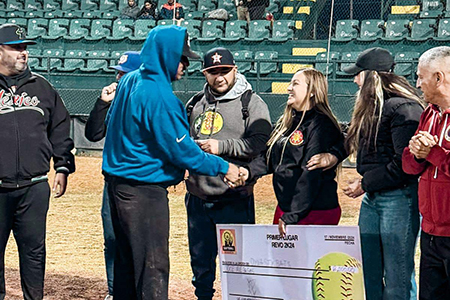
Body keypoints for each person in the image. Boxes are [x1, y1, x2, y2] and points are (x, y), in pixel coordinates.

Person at [102, 25, 240, 300]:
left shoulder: (131, 80)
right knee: (153, 267)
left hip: (117, 189)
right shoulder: (159, 95)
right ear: (165, 54)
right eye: (182, 57)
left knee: (128, 268)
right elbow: (183, 153)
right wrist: (224, 167)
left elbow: (111, 124)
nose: (185, 65)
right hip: (144, 193)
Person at [320, 47, 422, 300]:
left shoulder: (404, 108)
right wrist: (334, 155)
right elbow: (352, 138)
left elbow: (405, 165)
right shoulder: (376, 106)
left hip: (399, 198)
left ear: (372, 76)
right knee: (369, 272)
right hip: (374, 199)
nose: (355, 80)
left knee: (398, 275)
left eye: (358, 74)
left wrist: (365, 183)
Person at [184, 47, 272, 300]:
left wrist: (220, 146)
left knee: (239, 265)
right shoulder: (195, 103)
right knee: (200, 262)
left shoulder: (252, 103)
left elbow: (259, 143)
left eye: (224, 71)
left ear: (235, 70)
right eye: (212, 72)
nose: (219, 77)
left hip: (234, 197)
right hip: (198, 198)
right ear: (205, 74)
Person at [0, 23, 75, 300]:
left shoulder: (42, 87)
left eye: (25, 48)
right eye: (16, 47)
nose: (23, 53)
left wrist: (63, 165)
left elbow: (59, 129)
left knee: (33, 252)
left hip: (33, 186)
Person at [239, 68, 343, 235]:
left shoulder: (321, 124)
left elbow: (310, 174)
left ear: (312, 91)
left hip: (314, 211)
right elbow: (268, 157)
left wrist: (293, 214)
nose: (289, 88)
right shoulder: (286, 123)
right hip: (287, 209)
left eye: (295, 83)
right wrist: (248, 171)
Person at [85, 51, 141, 300]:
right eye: (117, 73)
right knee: (112, 238)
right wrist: (103, 103)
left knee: (139, 242)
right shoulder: (114, 103)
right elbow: (93, 134)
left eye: (124, 74)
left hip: (140, 186)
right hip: (112, 183)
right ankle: (113, 292)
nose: (118, 78)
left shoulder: (145, 102)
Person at [402, 46, 450, 300]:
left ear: (439, 78)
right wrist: (417, 153)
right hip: (430, 233)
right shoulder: (428, 114)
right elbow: (409, 166)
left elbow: (436, 157)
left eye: (421, 77)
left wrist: (432, 152)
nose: (417, 83)